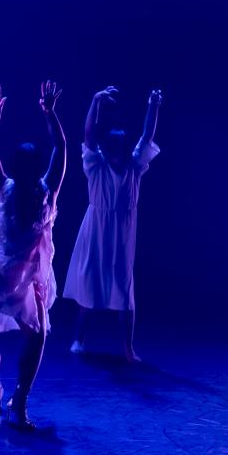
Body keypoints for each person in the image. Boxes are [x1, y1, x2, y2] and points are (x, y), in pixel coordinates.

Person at [0, 81, 66, 429]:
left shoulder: (46, 194)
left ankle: (19, 399)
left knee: (37, 335)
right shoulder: (5, 189)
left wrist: (51, 114)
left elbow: (61, 149)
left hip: (24, 279)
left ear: (33, 169)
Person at [63, 87, 162, 362]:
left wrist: (153, 105)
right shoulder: (96, 166)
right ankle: (79, 339)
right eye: (113, 147)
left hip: (123, 231)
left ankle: (128, 348)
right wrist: (95, 102)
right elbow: (88, 136)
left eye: (121, 147)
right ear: (107, 150)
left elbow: (147, 136)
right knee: (90, 281)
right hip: (96, 229)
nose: (118, 152)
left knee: (124, 287)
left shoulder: (134, 167)